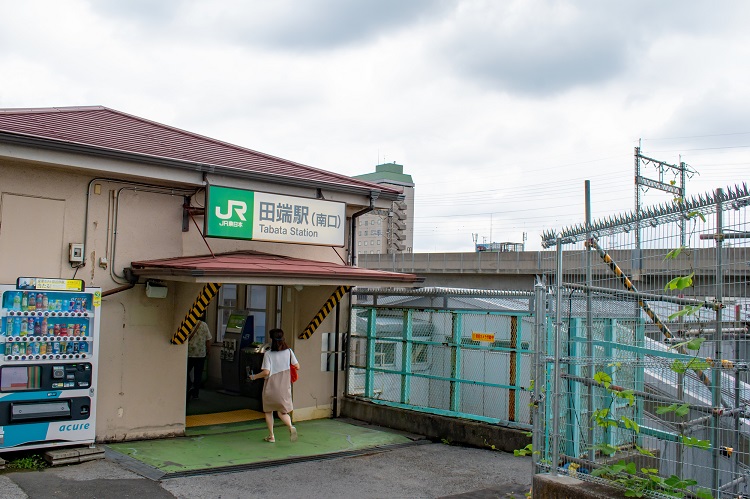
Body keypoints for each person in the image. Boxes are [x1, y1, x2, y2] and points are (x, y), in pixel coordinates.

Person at [249, 328, 300, 443]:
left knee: (268, 411)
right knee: (282, 412)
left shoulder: (268, 354)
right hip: (285, 386)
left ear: (272, 339)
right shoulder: (289, 352)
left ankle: (271, 436)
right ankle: (291, 427)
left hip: (271, 386)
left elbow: (266, 372)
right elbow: (297, 366)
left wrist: (254, 377)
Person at [186, 319, 212, 400]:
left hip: (189, 353)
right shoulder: (204, 325)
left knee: (185, 372)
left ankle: (189, 385)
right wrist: (209, 350)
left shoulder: (187, 325)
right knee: (198, 375)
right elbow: (208, 339)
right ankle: (195, 394)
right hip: (201, 354)